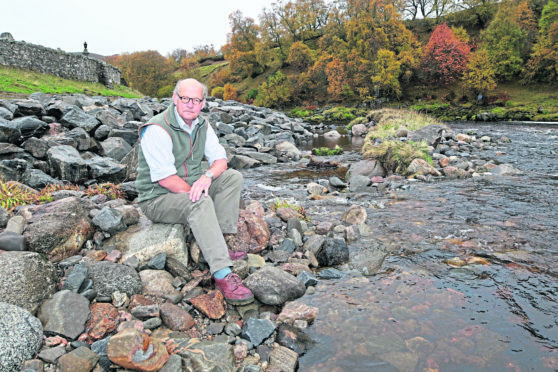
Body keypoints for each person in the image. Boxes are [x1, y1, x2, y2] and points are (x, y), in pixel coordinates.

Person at [135, 78, 254, 305]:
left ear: (203, 103)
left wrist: (206, 177)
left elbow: (220, 161)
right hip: (157, 197)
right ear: (175, 99)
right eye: (185, 98)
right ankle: (221, 272)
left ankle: (219, 241)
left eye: (196, 100)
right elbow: (167, 180)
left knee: (232, 179)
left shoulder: (202, 125)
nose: (190, 104)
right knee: (200, 203)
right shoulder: (157, 129)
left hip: (187, 186)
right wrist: (199, 194)